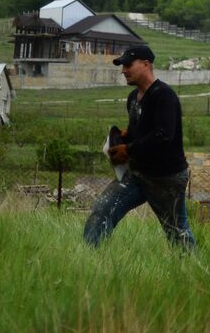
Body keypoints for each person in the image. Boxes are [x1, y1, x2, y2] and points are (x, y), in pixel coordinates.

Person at [83, 44, 195, 250]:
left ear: (146, 64)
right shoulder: (133, 98)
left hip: (166, 178)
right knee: (102, 210)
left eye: (128, 65)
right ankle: (87, 257)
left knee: (177, 231)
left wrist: (129, 150)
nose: (123, 70)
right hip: (137, 174)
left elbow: (163, 135)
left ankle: (190, 270)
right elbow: (141, 131)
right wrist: (123, 138)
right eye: (122, 66)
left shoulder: (164, 96)